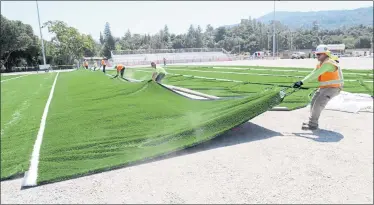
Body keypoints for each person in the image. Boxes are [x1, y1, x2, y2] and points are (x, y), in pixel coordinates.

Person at [293, 45, 344, 130]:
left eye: (319, 54)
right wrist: (301, 81)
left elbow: (316, 74)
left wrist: (301, 82)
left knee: (318, 104)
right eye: (316, 54)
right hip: (325, 87)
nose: (317, 56)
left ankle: (313, 124)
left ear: (325, 54)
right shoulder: (320, 64)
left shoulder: (329, 63)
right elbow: (312, 73)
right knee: (313, 102)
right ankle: (312, 121)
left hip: (334, 88)